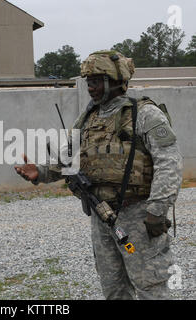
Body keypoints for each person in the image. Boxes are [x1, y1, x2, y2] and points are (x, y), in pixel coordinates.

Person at [15, 50, 183, 300]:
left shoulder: (144, 114)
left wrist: (157, 210)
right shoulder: (87, 118)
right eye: (88, 81)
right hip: (102, 217)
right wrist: (40, 171)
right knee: (113, 287)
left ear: (115, 81)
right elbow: (67, 160)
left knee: (151, 285)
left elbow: (168, 163)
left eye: (95, 81)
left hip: (138, 216)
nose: (90, 87)